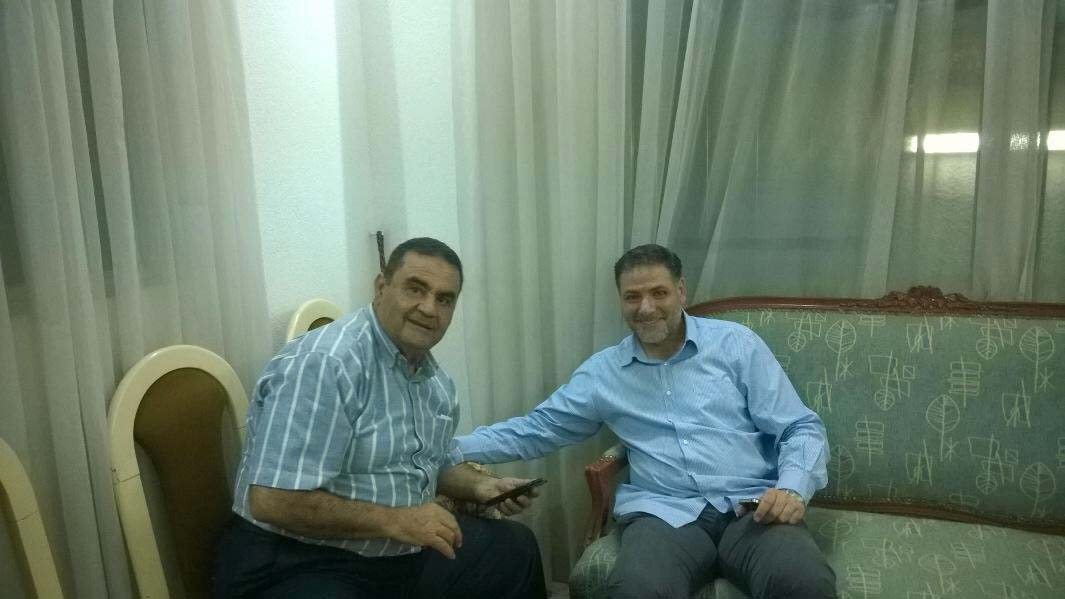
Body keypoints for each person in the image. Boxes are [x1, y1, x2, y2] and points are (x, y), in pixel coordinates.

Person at [451, 244, 836, 599]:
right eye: (632, 297)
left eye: (658, 293)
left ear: (681, 291)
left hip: (752, 508)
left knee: (804, 582)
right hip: (664, 517)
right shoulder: (604, 374)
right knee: (636, 590)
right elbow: (536, 430)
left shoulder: (736, 345)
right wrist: (445, 448)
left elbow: (799, 427)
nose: (646, 308)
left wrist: (792, 489)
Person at [214, 237, 547, 599]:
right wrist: (398, 519)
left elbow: (436, 464)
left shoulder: (435, 382)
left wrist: (482, 488)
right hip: (296, 560)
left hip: (391, 554)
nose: (429, 308)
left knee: (514, 549)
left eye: (444, 299)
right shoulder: (326, 364)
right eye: (415, 289)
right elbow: (272, 499)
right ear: (380, 287)